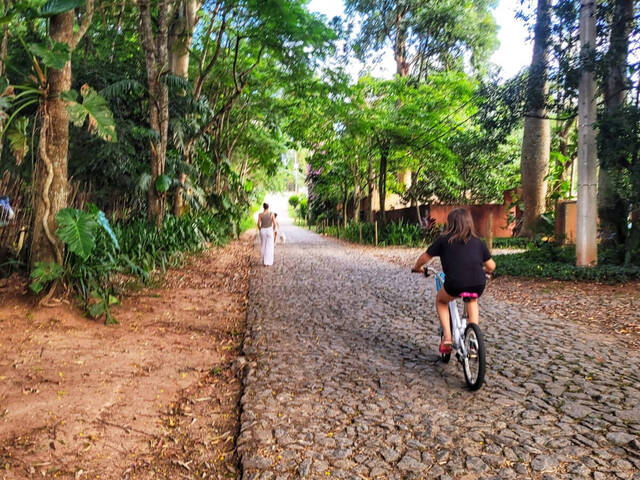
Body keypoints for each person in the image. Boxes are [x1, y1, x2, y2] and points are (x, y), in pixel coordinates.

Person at [411, 208, 496, 354]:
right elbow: (492, 266)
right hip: (478, 283)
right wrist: (486, 271)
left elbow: (425, 257)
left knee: (441, 301)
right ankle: (472, 339)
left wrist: (417, 267)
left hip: (455, 283)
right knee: (472, 300)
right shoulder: (478, 242)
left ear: (450, 224)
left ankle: (448, 338)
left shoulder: (443, 240)